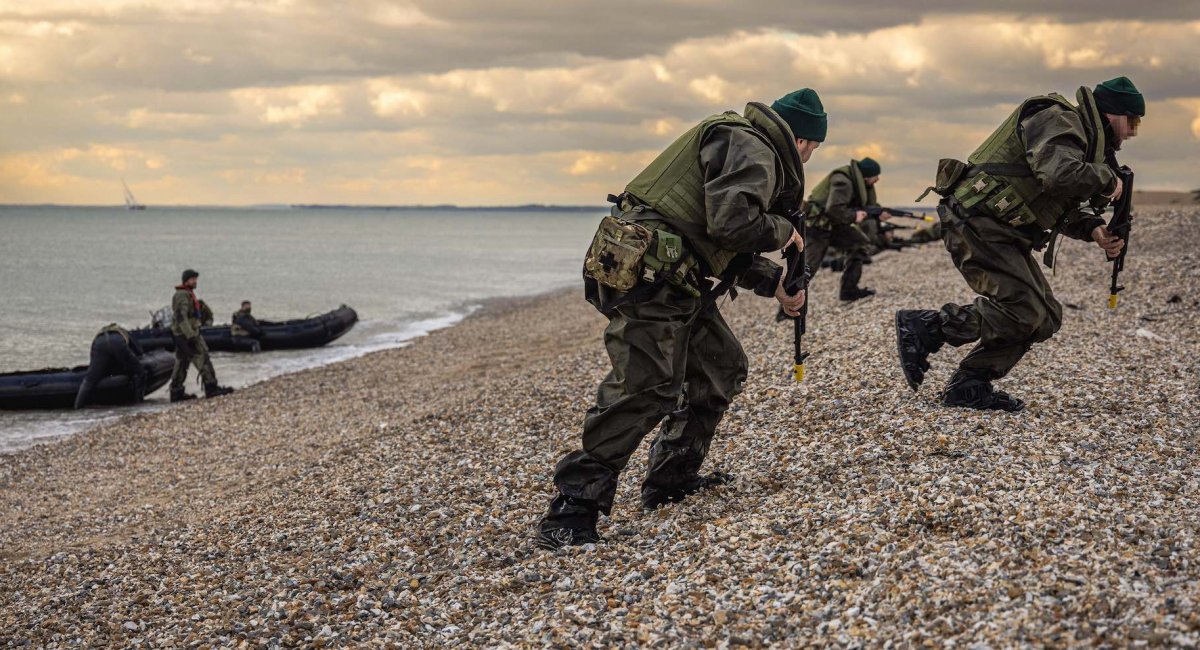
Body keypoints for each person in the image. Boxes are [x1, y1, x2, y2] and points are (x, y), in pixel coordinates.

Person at [536, 88, 827, 550]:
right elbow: (732, 223)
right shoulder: (753, 146)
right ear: (802, 139)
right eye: (813, 146)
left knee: (720, 369)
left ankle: (670, 480)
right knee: (647, 385)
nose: (810, 157)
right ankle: (572, 508)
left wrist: (773, 281)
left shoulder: (744, 141)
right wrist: (784, 232)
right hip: (654, 277)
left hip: (675, 275)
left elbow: (709, 235)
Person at [896, 77, 1141, 411]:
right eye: (1132, 122)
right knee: (1024, 311)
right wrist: (1107, 179)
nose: (1133, 132)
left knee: (1045, 318)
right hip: (976, 222)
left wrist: (1095, 229)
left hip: (1002, 230)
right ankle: (928, 327)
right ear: (1112, 114)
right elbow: (1057, 175)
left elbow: (1056, 202)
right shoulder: (1058, 118)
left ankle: (969, 384)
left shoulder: (1081, 141)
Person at [802, 157, 892, 302]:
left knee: (859, 243)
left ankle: (849, 291)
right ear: (867, 176)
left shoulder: (858, 182)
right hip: (817, 227)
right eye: (876, 176)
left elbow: (862, 206)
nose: (877, 180)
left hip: (834, 226)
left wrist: (878, 214)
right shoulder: (843, 181)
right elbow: (834, 209)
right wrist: (854, 216)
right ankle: (787, 309)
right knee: (808, 268)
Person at [169, 269, 234, 401]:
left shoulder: (187, 294)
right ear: (186, 281)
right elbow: (181, 317)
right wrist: (190, 335)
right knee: (202, 357)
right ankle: (211, 387)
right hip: (187, 334)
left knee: (182, 362)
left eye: (195, 279)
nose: (195, 281)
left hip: (182, 335)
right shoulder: (182, 295)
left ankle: (176, 392)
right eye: (193, 279)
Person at [74, 324, 147, 409]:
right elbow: (139, 352)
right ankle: (138, 402)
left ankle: (78, 406)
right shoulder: (123, 332)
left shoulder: (100, 335)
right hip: (118, 343)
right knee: (140, 372)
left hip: (99, 344)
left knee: (89, 381)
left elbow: (93, 358)